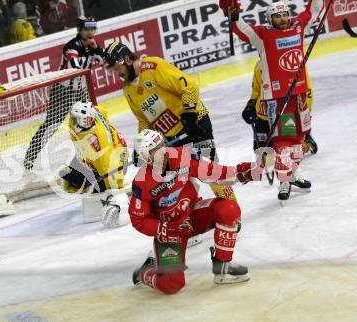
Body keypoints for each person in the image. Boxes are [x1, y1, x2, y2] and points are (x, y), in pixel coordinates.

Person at [129, 129, 263, 293]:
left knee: (229, 209)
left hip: (193, 215)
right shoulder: (141, 183)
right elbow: (138, 220)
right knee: (172, 285)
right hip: (171, 231)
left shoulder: (183, 157)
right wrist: (163, 229)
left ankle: (222, 266)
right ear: (145, 156)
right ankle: (145, 272)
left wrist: (241, 172)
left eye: (161, 146)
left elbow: (215, 174)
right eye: (154, 151)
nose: (161, 153)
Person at [104, 41, 237, 202]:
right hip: (172, 137)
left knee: (209, 172)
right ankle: (195, 217)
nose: (117, 73)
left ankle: (231, 211)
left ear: (127, 59)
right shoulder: (128, 90)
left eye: (117, 68)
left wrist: (189, 113)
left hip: (195, 123)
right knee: (180, 183)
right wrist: (142, 144)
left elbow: (188, 85)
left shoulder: (153, 67)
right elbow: (144, 121)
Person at [219, 0, 324, 201]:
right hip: (277, 98)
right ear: (270, 19)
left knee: (299, 137)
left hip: (299, 94)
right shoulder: (263, 35)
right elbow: (243, 29)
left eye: (284, 14)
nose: (282, 19)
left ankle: (291, 173)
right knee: (283, 140)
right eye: (277, 16)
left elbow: (314, 9)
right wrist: (233, 14)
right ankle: (285, 179)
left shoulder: (298, 26)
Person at [23, 16, 104, 170]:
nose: (90, 32)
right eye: (87, 29)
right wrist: (92, 49)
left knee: (88, 123)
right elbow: (76, 68)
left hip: (81, 90)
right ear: (79, 30)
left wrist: (96, 48)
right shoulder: (71, 47)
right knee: (51, 126)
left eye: (93, 29)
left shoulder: (92, 45)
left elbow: (103, 62)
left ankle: (91, 157)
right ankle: (29, 158)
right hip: (63, 91)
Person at [59, 101, 129, 229]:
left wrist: (113, 192)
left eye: (76, 119)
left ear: (86, 120)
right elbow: (104, 112)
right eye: (73, 118)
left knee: (103, 187)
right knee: (66, 177)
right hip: (95, 157)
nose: (72, 121)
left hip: (116, 159)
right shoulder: (93, 112)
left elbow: (111, 172)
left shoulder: (101, 148)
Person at [242, 61, 318, 155]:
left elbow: (305, 89)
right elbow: (256, 90)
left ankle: (304, 144)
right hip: (263, 117)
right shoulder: (259, 65)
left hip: (285, 115)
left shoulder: (293, 63)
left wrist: (304, 114)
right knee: (261, 152)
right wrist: (251, 105)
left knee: (287, 152)